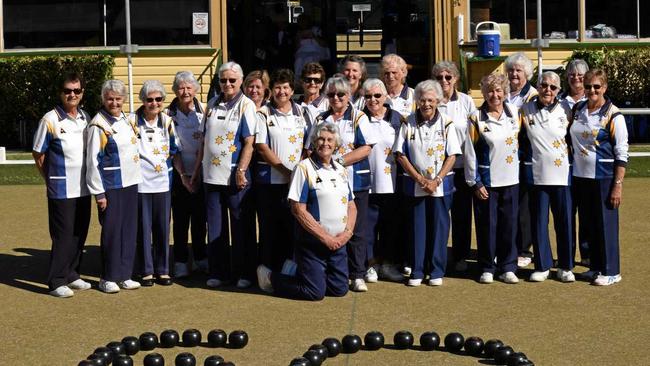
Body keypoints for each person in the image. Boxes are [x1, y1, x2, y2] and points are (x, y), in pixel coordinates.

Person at [256, 122, 357, 301]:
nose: (325, 143)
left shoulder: (341, 170)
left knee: (339, 289)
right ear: (313, 142)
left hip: (338, 243)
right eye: (320, 139)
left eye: (329, 140)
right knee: (314, 293)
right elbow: (297, 209)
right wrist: (325, 238)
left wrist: (346, 234)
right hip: (312, 244)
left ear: (336, 144)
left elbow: (351, 206)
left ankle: (305, 273)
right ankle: (271, 278)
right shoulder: (303, 168)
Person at [191, 61, 258, 289]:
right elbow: (203, 141)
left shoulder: (246, 105)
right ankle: (218, 272)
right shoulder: (211, 103)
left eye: (232, 80)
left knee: (241, 227)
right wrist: (196, 170)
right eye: (223, 80)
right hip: (211, 177)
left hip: (234, 177)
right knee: (216, 227)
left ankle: (244, 273)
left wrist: (241, 170)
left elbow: (249, 142)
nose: (227, 84)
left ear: (240, 82)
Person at [310, 76, 376, 292]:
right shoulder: (320, 118)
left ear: (349, 96)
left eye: (340, 94)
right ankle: (333, 271)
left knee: (356, 229)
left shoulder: (359, 117)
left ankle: (357, 273)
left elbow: (366, 147)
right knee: (330, 225)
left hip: (354, 180)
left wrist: (338, 161)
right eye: (331, 95)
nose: (336, 98)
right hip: (326, 184)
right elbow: (310, 147)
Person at [393, 79, 461, 287]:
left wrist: (437, 179)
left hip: (441, 186)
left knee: (439, 229)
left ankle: (436, 270)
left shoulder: (447, 123)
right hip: (415, 186)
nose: (427, 104)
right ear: (417, 101)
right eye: (423, 100)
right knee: (417, 228)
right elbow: (400, 155)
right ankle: (417, 270)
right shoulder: (408, 122)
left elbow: (452, 155)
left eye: (431, 100)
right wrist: (420, 179)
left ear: (438, 101)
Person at [32, 72, 92, 298]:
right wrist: (49, 177)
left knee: (79, 232)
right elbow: (38, 152)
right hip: (61, 188)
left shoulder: (86, 117)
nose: (72, 95)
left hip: (84, 187)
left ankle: (73, 274)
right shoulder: (50, 119)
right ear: (61, 93)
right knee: (63, 235)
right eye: (68, 91)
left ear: (82, 93)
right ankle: (56, 280)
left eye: (76, 91)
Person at [569, 68, 628, 286]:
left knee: (606, 224)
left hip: (604, 177)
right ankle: (595, 266)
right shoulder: (578, 109)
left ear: (604, 87)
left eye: (596, 86)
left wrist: (617, 185)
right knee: (589, 224)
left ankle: (611, 270)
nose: (592, 90)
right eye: (587, 86)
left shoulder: (614, 115)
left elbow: (622, 153)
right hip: (580, 177)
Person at [86, 79, 142, 293]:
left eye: (118, 99)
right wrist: (99, 193)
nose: (114, 103)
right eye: (110, 99)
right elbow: (92, 162)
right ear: (103, 99)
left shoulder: (128, 120)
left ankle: (125, 274)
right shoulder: (98, 125)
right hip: (110, 187)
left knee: (129, 230)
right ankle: (108, 277)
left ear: (124, 100)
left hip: (130, 184)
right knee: (111, 231)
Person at [519, 72, 575, 283]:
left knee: (565, 222)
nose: (548, 90)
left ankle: (566, 266)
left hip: (562, 176)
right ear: (538, 86)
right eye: (544, 85)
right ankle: (542, 265)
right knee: (539, 222)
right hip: (537, 175)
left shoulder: (567, 110)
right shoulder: (525, 110)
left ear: (559, 91)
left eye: (553, 87)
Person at [464, 73, 520, 284]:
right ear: (484, 93)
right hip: (487, 183)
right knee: (487, 226)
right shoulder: (475, 118)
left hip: (511, 179)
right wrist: (475, 182)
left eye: (498, 90)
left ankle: (508, 267)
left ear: (505, 92)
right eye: (489, 91)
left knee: (509, 226)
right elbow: (470, 152)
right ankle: (487, 266)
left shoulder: (515, 113)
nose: (494, 95)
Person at [255, 69, 308, 271]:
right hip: (269, 183)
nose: (282, 91)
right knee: (269, 229)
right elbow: (262, 146)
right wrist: (287, 173)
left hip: (295, 184)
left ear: (292, 89)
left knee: (291, 227)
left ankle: (289, 270)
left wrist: (298, 174)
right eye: (277, 87)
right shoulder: (263, 113)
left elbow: (308, 146)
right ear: (271, 90)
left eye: (286, 87)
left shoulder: (303, 113)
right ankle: (267, 270)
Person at [132, 80, 180, 287]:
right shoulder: (132, 121)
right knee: (143, 229)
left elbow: (175, 150)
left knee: (162, 227)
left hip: (163, 183)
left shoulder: (168, 121)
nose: (154, 103)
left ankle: (163, 269)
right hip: (141, 184)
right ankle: (146, 270)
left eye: (158, 99)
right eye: (149, 99)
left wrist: (185, 177)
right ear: (143, 100)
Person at [432, 61, 478, 272]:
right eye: (440, 77)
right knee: (438, 216)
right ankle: (436, 256)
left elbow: (474, 134)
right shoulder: (430, 101)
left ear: (456, 79)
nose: (444, 81)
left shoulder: (467, 101)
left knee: (462, 215)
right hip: (437, 169)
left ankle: (460, 256)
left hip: (460, 168)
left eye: (448, 77)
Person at [361, 78, 405, 282]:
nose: (373, 100)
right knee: (367, 228)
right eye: (368, 96)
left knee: (390, 226)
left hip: (391, 182)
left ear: (386, 96)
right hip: (366, 183)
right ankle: (370, 265)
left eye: (377, 95)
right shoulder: (359, 118)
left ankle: (387, 264)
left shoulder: (397, 119)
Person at [166, 71, 208, 278]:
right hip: (178, 175)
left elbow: (205, 145)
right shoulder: (167, 115)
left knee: (201, 220)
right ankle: (181, 261)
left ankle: (201, 258)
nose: (185, 91)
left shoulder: (205, 111)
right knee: (181, 220)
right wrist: (183, 176)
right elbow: (173, 150)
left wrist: (197, 173)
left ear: (195, 90)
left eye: (189, 87)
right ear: (175, 90)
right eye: (180, 87)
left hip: (201, 174)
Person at [504, 52, 538, 268]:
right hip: (504, 157)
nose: (514, 74)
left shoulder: (532, 96)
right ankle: (508, 247)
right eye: (511, 70)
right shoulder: (504, 92)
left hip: (524, 155)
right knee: (509, 202)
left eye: (518, 70)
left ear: (527, 74)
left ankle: (525, 248)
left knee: (524, 204)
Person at [560, 59, 590, 265]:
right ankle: (567, 257)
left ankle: (587, 254)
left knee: (587, 213)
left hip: (587, 166)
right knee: (567, 214)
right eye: (572, 74)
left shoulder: (595, 100)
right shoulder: (559, 101)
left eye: (580, 74)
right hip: (565, 166)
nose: (576, 78)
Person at [380, 54, 416, 118]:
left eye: (394, 72)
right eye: (386, 73)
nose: (390, 76)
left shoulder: (414, 96)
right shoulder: (376, 96)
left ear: (403, 73)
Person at [297, 62, 329, 127]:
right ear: (302, 82)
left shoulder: (328, 105)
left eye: (316, 80)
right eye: (308, 80)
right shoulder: (294, 105)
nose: (312, 83)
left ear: (322, 84)